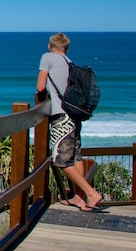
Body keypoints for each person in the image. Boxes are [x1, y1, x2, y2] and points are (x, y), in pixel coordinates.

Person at [37, 32, 106, 212]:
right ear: (66, 48)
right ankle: (79, 197)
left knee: (60, 160)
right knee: (75, 157)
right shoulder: (69, 62)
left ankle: (91, 193)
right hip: (74, 115)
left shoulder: (47, 57)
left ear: (49, 46)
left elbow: (40, 87)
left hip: (61, 117)